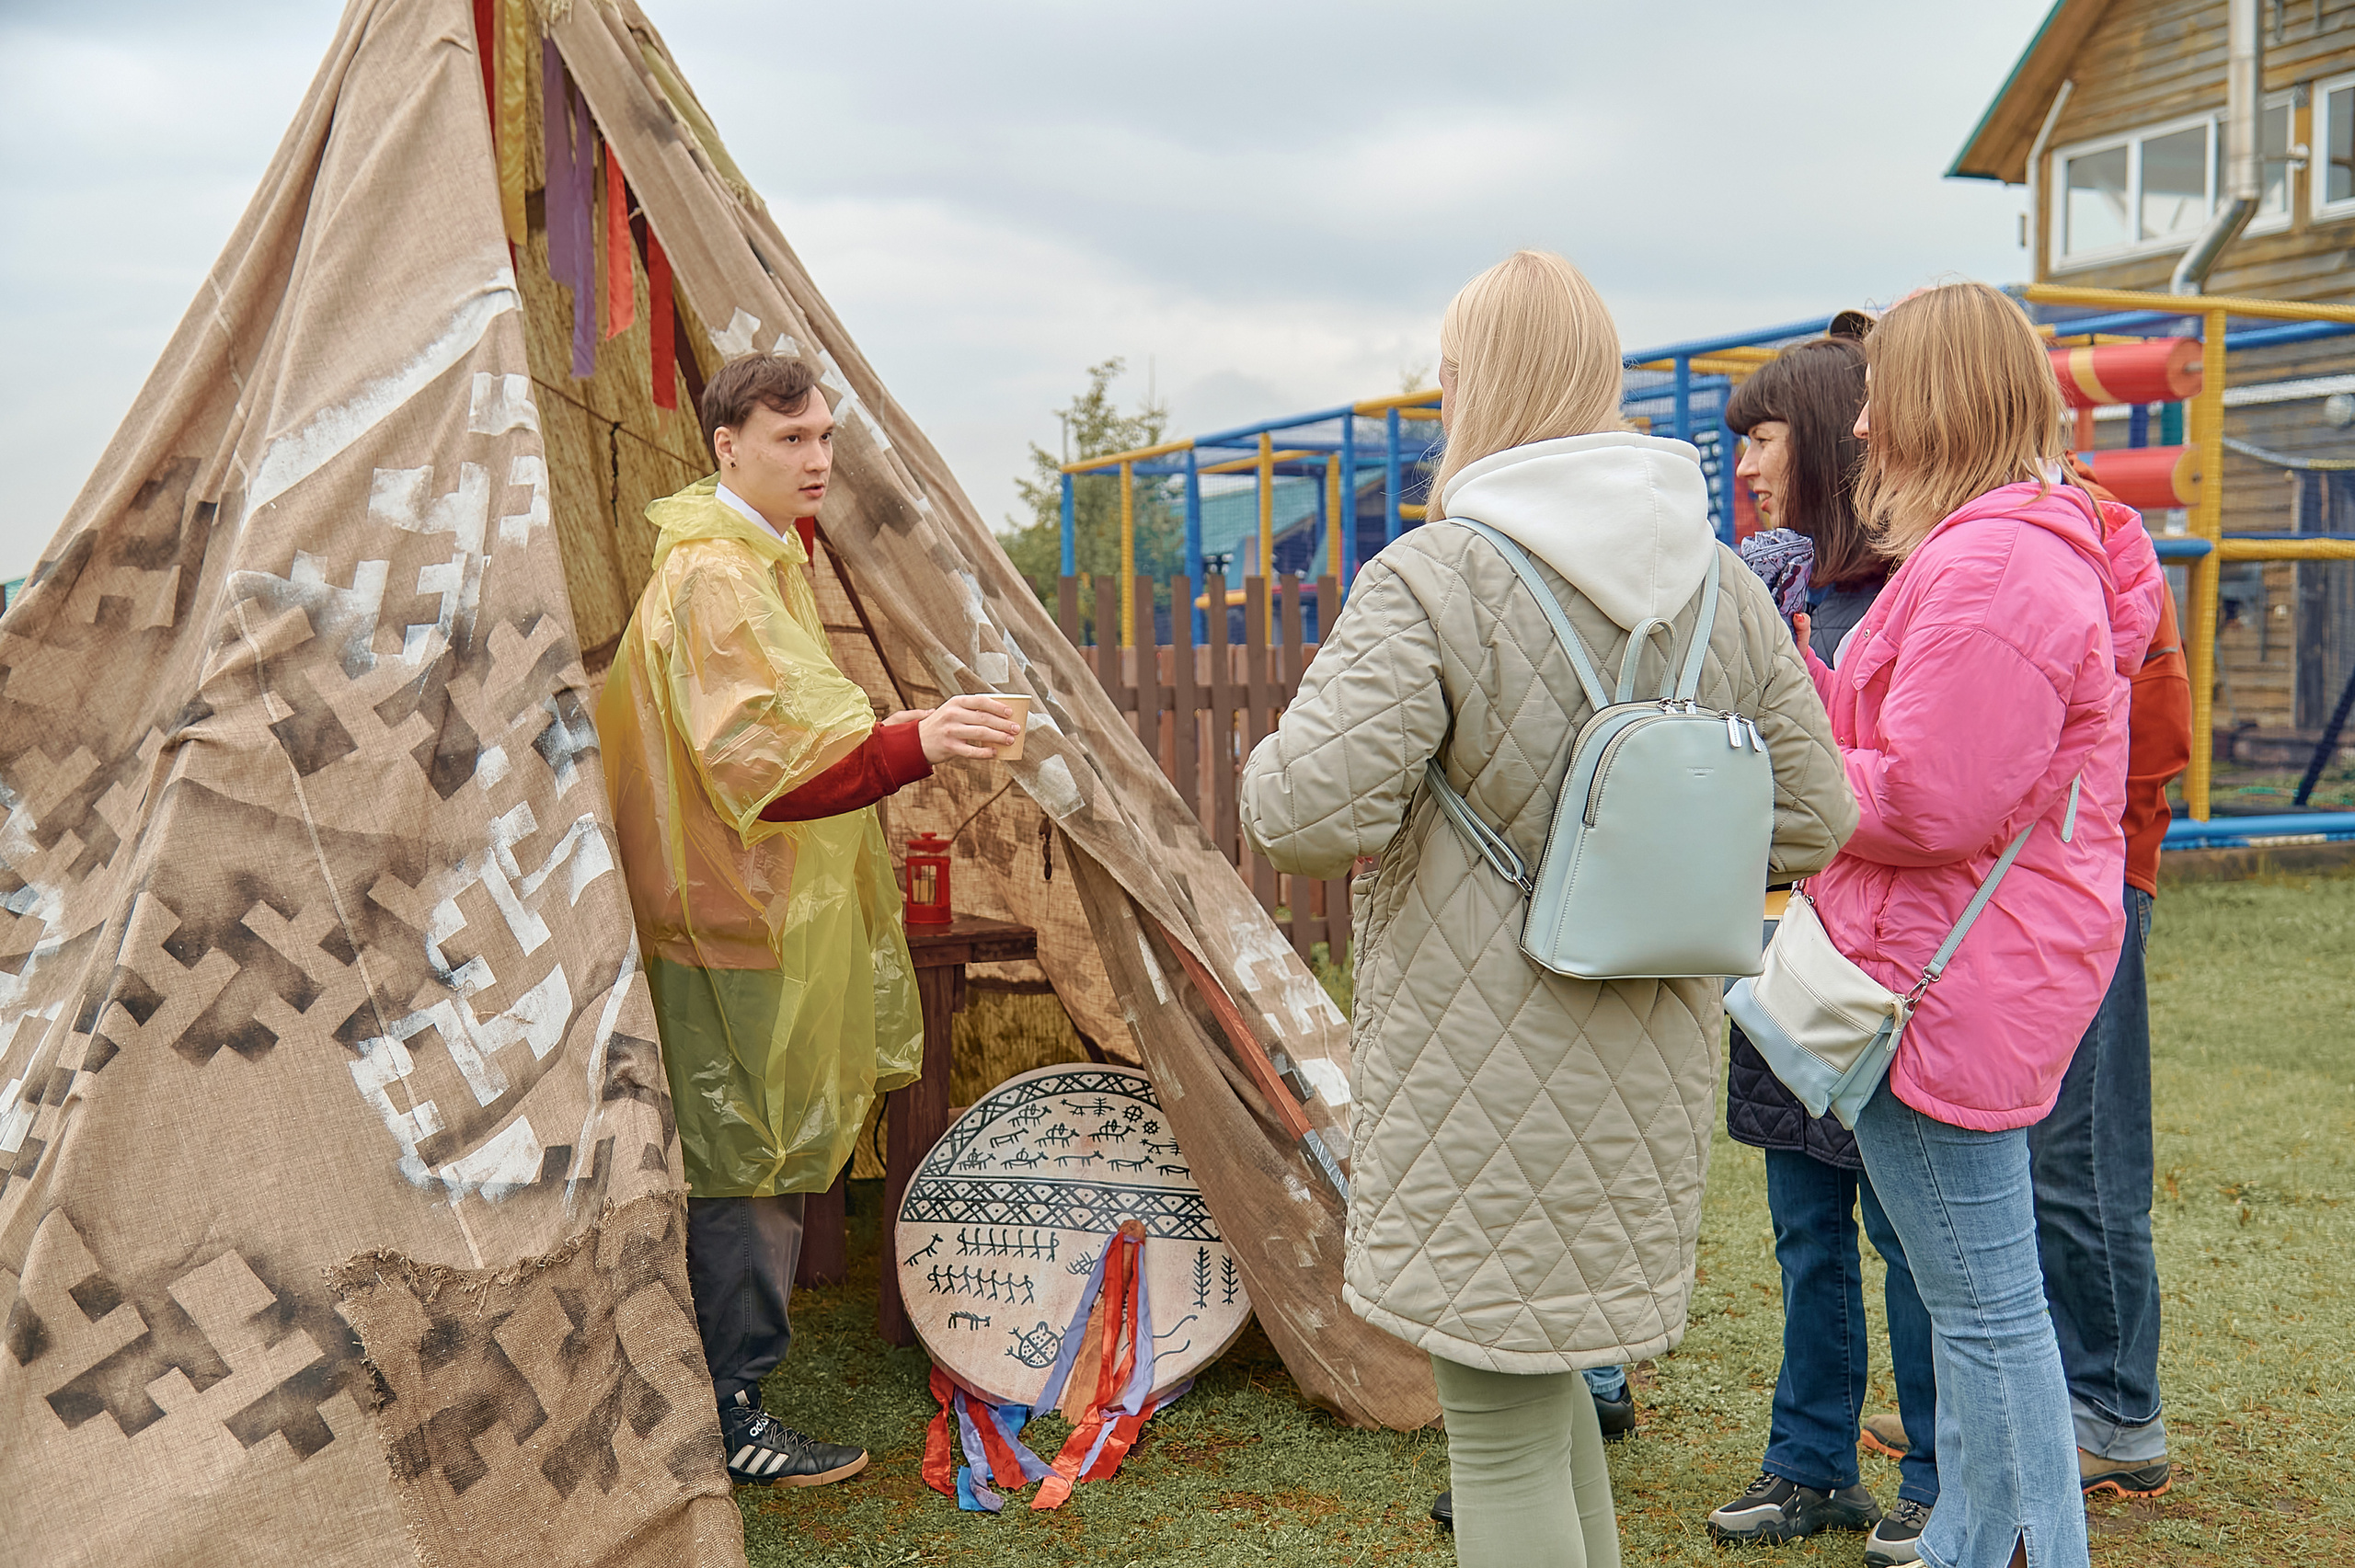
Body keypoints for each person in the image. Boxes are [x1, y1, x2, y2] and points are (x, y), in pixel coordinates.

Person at [1237, 250, 1858, 1568]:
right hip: (1647, 1055)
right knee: (1549, 1397)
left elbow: (1301, 814)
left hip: (1479, 1065)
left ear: (1474, 388)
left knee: (1505, 1427)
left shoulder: (1437, 576)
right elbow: (1818, 816)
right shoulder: (1723, 584)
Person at [595, 354, 1018, 1487]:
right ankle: (727, 1410)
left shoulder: (765, 561)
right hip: (723, 918)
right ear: (726, 446)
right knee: (742, 1162)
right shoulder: (717, 578)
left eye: (825, 436)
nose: (818, 458)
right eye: (790, 439)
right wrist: (910, 743)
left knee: (757, 1153)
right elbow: (759, 766)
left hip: (747, 911)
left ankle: (717, 1391)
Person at [1799, 282, 2165, 1568]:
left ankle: (2023, 1547)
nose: (1860, 428)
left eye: (1883, 391)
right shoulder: (2010, 552)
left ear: (1936, 399)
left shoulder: (1992, 564)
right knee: (1978, 1302)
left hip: (1946, 975)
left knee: (1989, 1306)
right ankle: (1978, 1536)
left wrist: (1786, 764)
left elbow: (1927, 798)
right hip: (1975, 961)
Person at [1706, 333, 1940, 1568]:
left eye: (1764, 433)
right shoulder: (1755, 592)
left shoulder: (1908, 589)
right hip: (1780, 945)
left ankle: (1938, 1472)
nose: (1747, 461)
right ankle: (1811, 1463)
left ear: (1827, 433)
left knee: (1907, 1228)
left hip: (1882, 961)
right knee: (1805, 1222)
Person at [2026, 452, 2192, 1498]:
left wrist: (2095, 843)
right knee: (2045, 1148)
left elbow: (2157, 726)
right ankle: (2054, 1395)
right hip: (2057, 873)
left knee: (2083, 1151)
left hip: (2090, 870)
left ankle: (2120, 1412)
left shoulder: (2095, 529)